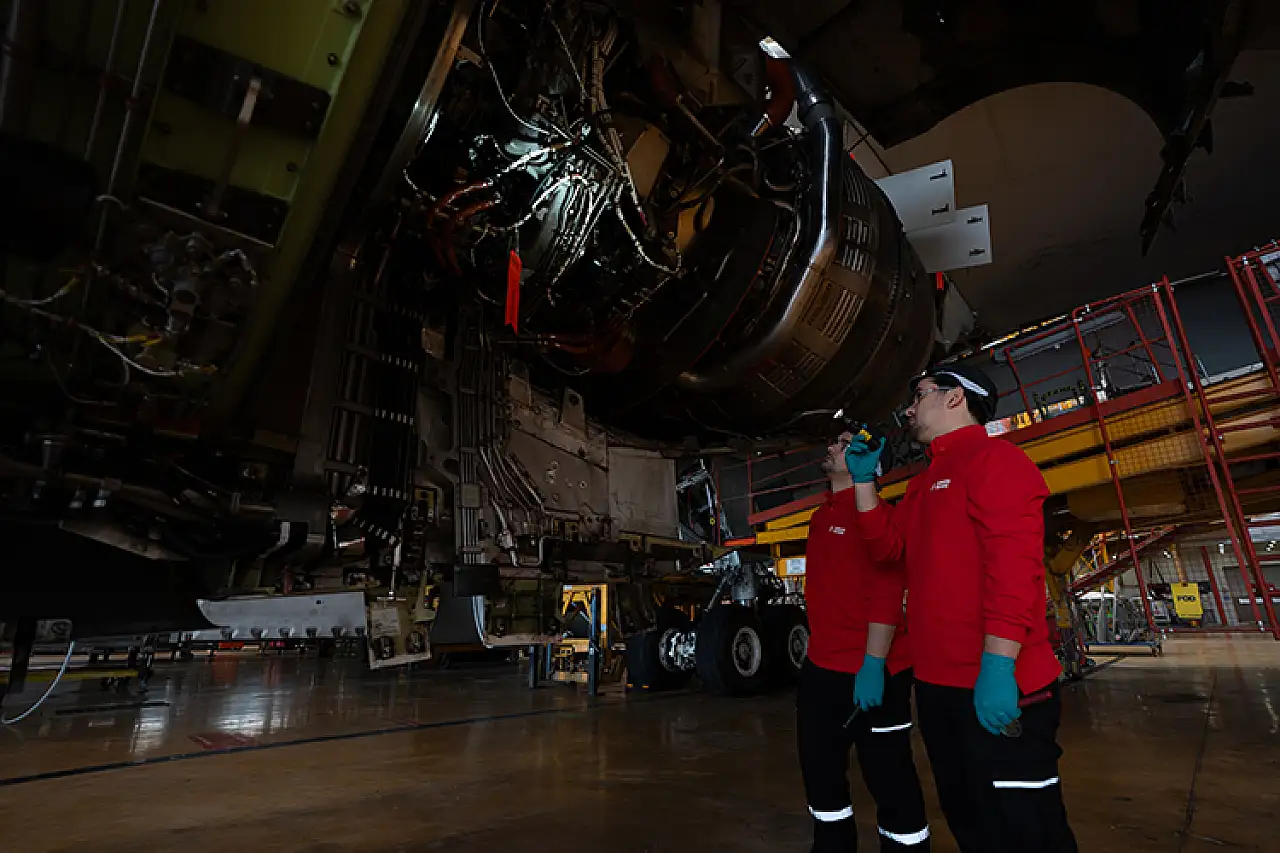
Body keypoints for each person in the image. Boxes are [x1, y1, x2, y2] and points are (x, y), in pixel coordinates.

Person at [844, 366, 1078, 853]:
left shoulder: (997, 461)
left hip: (1001, 683)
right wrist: (864, 483)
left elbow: (1014, 570)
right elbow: (887, 553)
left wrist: (998, 664)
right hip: (938, 689)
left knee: (1028, 831)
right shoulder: (921, 485)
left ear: (956, 399)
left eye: (920, 395)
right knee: (970, 821)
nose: (908, 409)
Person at [796, 428, 931, 852]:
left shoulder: (880, 518)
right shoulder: (822, 517)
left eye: (845, 443)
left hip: (873, 675)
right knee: (821, 778)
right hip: (822, 670)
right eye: (834, 440)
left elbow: (888, 593)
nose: (832, 446)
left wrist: (873, 665)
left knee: (890, 780)